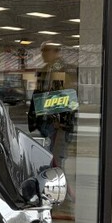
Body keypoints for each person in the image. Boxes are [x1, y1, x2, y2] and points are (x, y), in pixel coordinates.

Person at [27, 42, 77, 171]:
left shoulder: (61, 70)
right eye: (42, 50)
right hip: (45, 121)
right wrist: (34, 118)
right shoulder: (45, 70)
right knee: (45, 158)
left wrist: (62, 122)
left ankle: (56, 180)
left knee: (55, 160)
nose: (43, 54)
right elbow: (38, 94)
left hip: (56, 124)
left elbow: (68, 98)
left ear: (56, 52)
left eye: (47, 50)